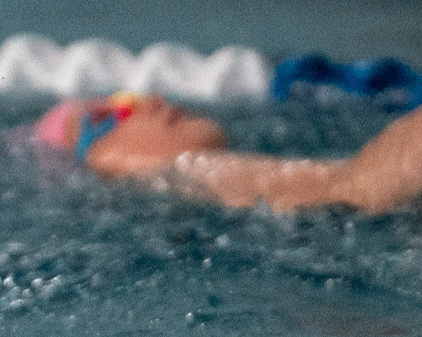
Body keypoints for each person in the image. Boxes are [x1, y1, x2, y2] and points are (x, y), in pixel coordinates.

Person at [32, 91, 422, 214]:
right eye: (113, 113)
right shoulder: (178, 173)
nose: (149, 99)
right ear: (101, 160)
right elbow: (358, 185)